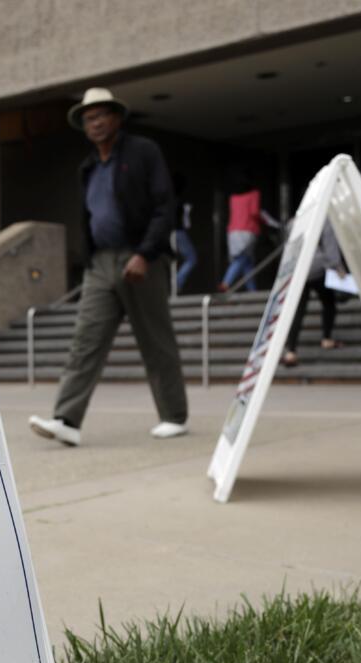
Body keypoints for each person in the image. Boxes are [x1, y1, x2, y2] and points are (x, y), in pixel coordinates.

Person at [29, 88, 188, 446]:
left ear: (116, 118)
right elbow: (90, 216)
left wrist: (146, 254)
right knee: (86, 339)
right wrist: (87, 259)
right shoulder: (87, 168)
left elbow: (166, 206)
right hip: (100, 263)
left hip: (140, 257)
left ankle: (174, 416)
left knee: (155, 340)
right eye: (88, 118)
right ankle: (67, 419)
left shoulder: (143, 152)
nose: (95, 123)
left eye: (101, 115)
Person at [282, 221, 345, 367]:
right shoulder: (324, 219)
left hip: (298, 270)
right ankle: (326, 338)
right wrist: (337, 268)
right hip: (317, 268)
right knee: (329, 302)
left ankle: (291, 351)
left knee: (297, 310)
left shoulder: (295, 222)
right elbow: (330, 248)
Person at [219, 175, 278, 292]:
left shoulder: (233, 197)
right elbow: (255, 212)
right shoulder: (254, 194)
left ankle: (252, 290)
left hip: (232, 232)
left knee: (247, 263)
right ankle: (226, 282)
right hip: (247, 231)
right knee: (242, 257)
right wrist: (269, 222)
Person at [173, 173, 198, 292]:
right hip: (178, 231)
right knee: (192, 258)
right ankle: (177, 282)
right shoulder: (183, 203)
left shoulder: (166, 199)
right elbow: (187, 223)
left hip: (166, 233)